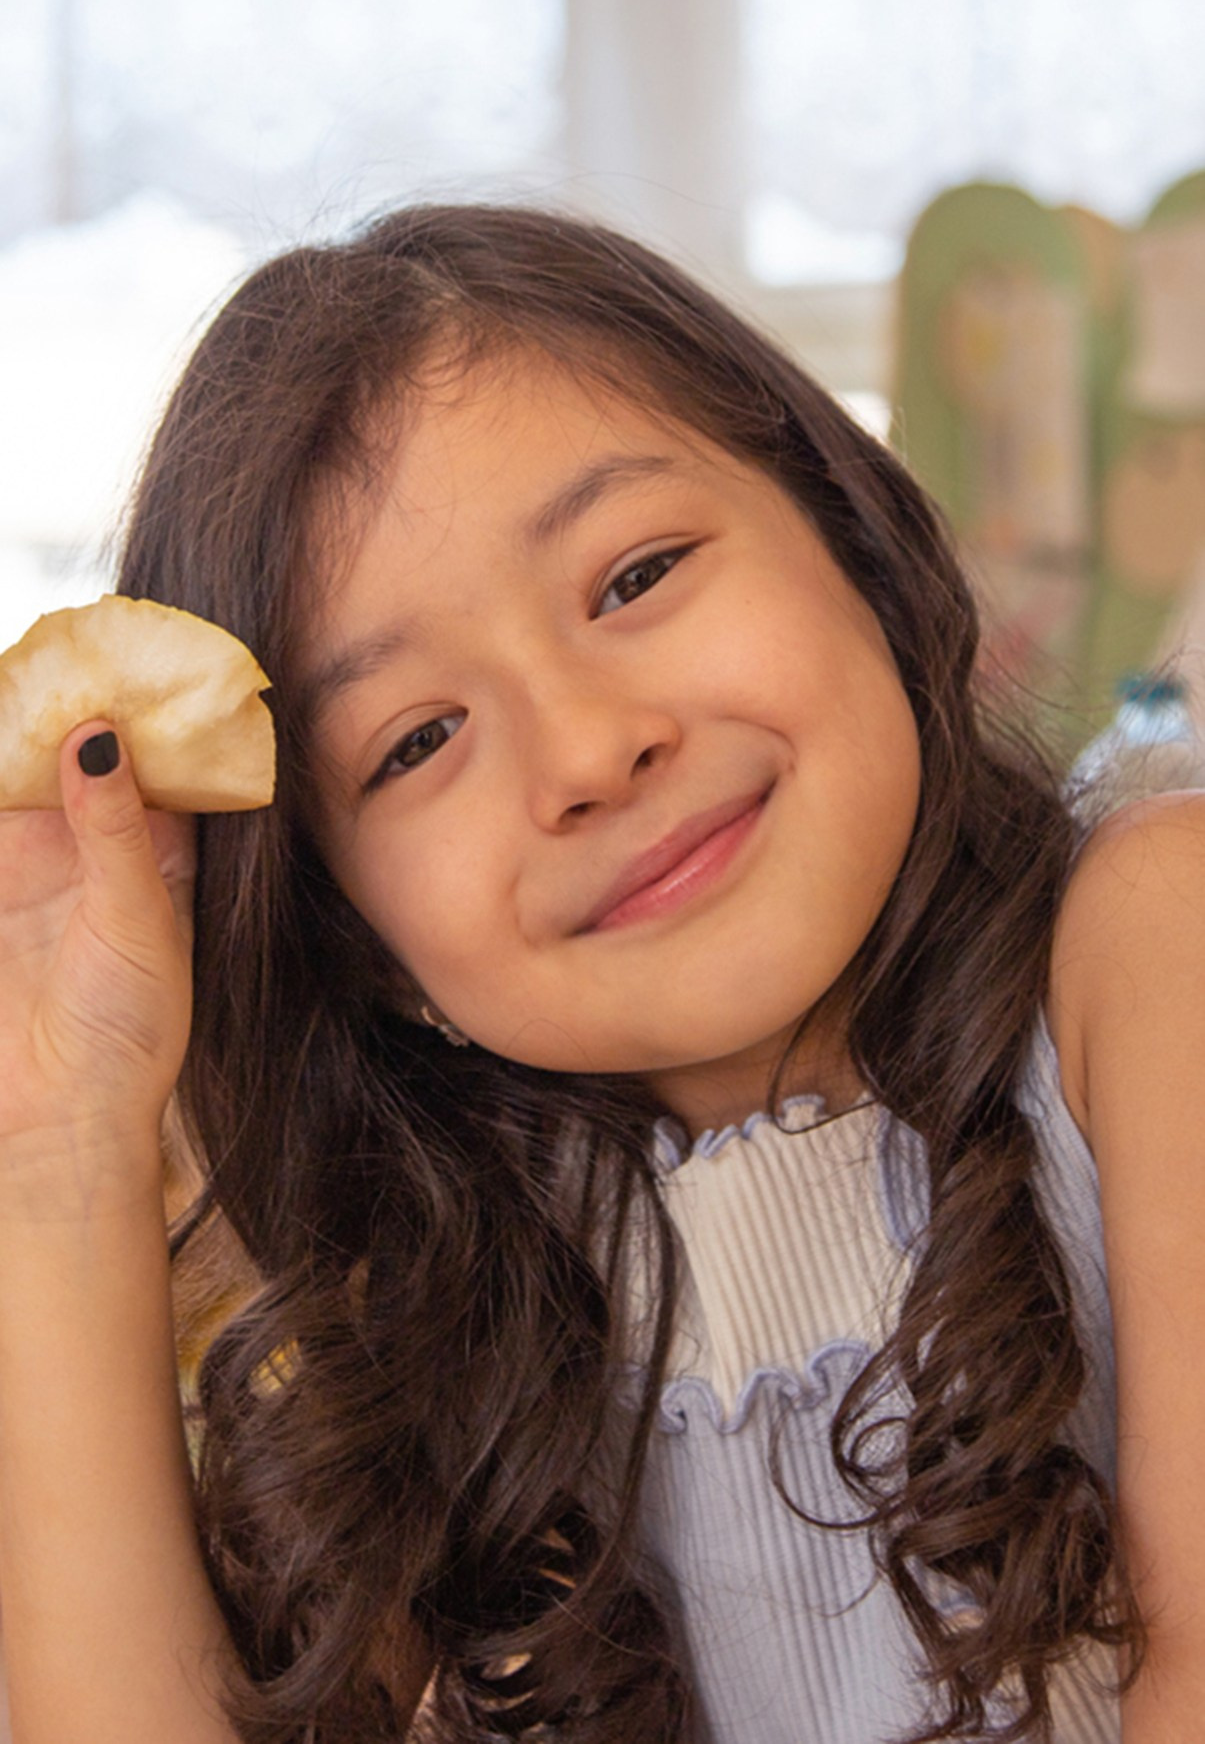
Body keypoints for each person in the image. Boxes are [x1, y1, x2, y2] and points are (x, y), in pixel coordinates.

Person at [0, 204, 1202, 1744]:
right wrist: (61, 1144)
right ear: (353, 935)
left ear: (849, 533)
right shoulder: (441, 1315)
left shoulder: (1149, 941)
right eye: (416, 742)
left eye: (634, 577)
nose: (584, 751)